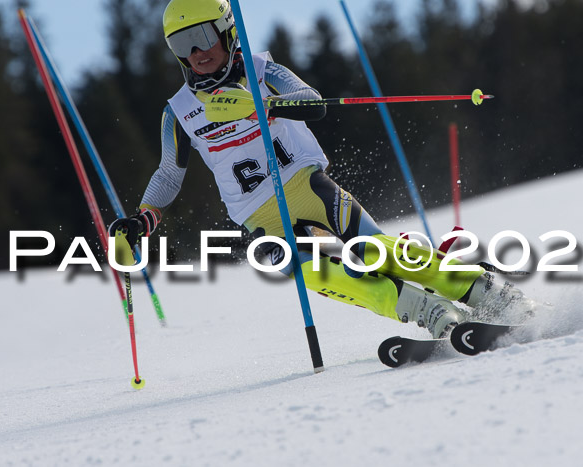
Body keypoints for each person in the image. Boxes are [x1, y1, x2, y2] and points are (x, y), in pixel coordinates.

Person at [109, 0, 536, 338]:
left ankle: (486, 292)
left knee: (374, 252)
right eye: (182, 45)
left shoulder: (262, 70)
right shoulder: (179, 112)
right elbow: (168, 174)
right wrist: (143, 219)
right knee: (310, 272)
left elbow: (311, 100)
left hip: (305, 185)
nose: (196, 53)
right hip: (258, 216)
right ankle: (424, 309)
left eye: (202, 37)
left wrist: (265, 104)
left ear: (227, 31)